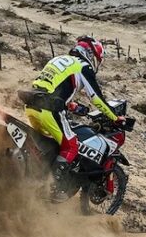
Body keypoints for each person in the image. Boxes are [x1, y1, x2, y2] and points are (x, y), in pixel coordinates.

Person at [23, 36, 124, 177]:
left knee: (45, 144)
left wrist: (70, 105)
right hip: (49, 110)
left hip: (31, 105)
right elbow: (96, 98)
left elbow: (50, 86)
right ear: (90, 54)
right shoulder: (83, 66)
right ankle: (51, 185)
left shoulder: (59, 59)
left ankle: (34, 173)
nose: (96, 63)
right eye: (96, 59)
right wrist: (115, 117)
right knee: (71, 146)